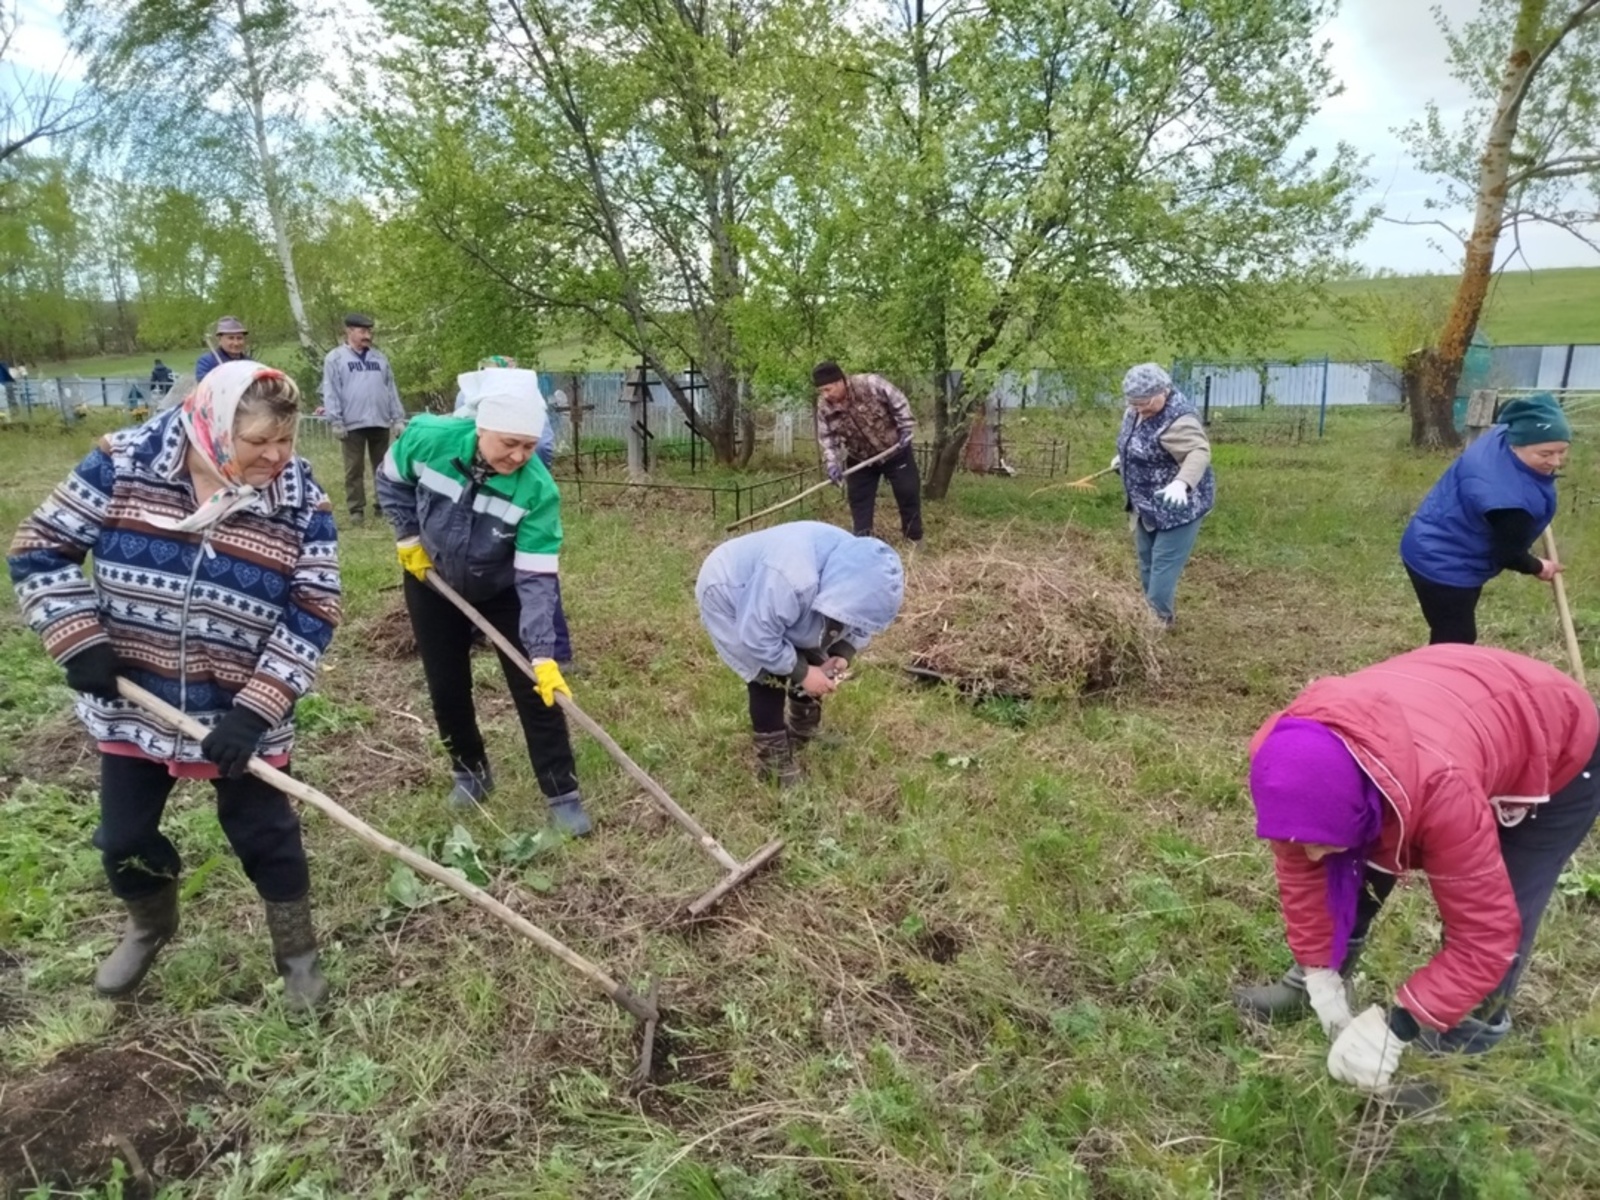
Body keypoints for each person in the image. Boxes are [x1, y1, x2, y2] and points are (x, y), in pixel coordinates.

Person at [7, 361, 342, 1011]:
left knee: (265, 833)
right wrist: (79, 639)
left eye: (287, 440)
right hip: (139, 697)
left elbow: (317, 605)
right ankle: (150, 924)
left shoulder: (300, 497)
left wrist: (257, 708)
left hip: (241, 705)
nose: (276, 457)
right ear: (214, 428)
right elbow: (39, 546)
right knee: (125, 838)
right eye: (258, 444)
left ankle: (297, 956)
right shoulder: (124, 464)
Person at [1236, 644, 1600, 1092]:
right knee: (1344, 868)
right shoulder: (1291, 760)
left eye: (1316, 843)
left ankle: (1465, 1041)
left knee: (1506, 899)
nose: (1307, 854)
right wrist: (1318, 976)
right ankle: (1309, 985)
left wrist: (1398, 1026)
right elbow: (1305, 874)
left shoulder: (1440, 789)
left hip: (1554, 742)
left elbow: (1484, 937)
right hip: (1450, 710)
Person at [377, 366, 592, 832]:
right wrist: (408, 538)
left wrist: (542, 654)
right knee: (447, 683)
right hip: (430, 578)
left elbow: (537, 580)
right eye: (508, 443)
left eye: (529, 445)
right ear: (481, 427)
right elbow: (391, 477)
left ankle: (563, 793)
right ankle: (470, 770)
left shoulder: (537, 489)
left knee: (536, 691)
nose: (518, 455)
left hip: (502, 588)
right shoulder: (429, 438)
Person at [696, 521, 905, 787]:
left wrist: (842, 652)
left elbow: (862, 621)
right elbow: (758, 636)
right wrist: (802, 672)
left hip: (779, 598)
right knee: (768, 674)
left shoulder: (861, 572)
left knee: (814, 654)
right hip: (730, 591)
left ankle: (804, 729)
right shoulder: (791, 577)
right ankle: (773, 762)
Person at [1399, 393, 1569, 645]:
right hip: (1442, 563)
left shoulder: (1504, 433)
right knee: (1456, 640)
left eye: (1562, 451)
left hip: (1435, 536)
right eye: (1545, 454)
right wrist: (1539, 567)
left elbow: (1518, 410)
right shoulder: (1509, 500)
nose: (1556, 461)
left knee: (1453, 625)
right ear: (1516, 444)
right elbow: (1508, 554)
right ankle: (1441, 680)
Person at [453, 354, 573, 665]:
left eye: (525, 447)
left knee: (536, 573)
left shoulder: (530, 404)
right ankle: (473, 631)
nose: (520, 454)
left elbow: (543, 447)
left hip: (518, 501)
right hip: (476, 502)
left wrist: (525, 474)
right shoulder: (464, 409)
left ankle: (553, 652)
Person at [1111, 363, 1214, 627]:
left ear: (1163, 391)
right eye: (1134, 404)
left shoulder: (1179, 419)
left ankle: (1158, 622)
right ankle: (1150, 613)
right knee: (1146, 560)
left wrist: (1182, 484)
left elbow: (1198, 452)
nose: (1139, 409)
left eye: (1145, 403)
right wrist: (1125, 458)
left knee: (1163, 565)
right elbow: (1137, 438)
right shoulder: (1136, 409)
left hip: (1179, 507)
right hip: (1146, 504)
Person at [812, 361, 922, 544]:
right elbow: (828, 438)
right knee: (858, 500)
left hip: (895, 450)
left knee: (907, 492)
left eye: (828, 389)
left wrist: (905, 429)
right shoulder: (824, 407)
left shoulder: (870, 384)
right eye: (821, 391)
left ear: (841, 381)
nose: (825, 395)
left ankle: (913, 538)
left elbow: (899, 401)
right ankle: (862, 543)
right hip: (860, 458)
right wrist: (832, 463)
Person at [322, 312, 407, 527]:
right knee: (354, 469)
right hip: (352, 423)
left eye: (369, 331)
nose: (367, 335)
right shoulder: (335, 358)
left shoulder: (379, 358)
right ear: (349, 331)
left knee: (383, 466)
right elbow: (331, 389)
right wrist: (336, 420)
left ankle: (384, 504)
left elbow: (390, 388)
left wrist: (397, 417)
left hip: (379, 421)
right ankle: (356, 508)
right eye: (362, 331)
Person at [194, 316, 250, 381]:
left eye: (239, 338)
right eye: (231, 338)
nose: (236, 343)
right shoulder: (206, 362)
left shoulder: (250, 363)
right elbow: (204, 385)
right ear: (220, 340)